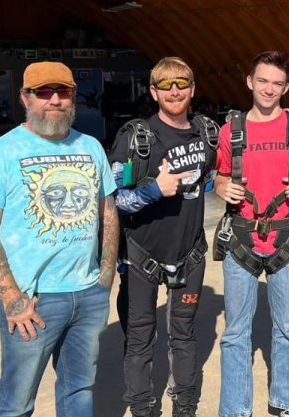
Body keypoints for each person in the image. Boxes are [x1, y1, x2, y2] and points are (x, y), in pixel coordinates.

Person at [0, 61, 118, 417]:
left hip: (88, 293)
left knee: (79, 390)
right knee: (16, 402)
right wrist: (11, 296)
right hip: (33, 301)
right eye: (43, 92)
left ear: (73, 98)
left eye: (62, 92)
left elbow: (108, 212)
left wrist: (105, 276)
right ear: (25, 98)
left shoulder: (91, 146)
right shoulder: (1, 152)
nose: (54, 100)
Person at [109, 57, 218, 417]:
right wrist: (154, 190)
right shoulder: (135, 137)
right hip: (142, 256)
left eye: (182, 83)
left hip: (190, 253)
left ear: (193, 89)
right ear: (153, 91)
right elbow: (113, 201)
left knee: (184, 336)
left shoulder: (207, 132)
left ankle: (184, 408)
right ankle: (142, 409)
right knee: (140, 340)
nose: (175, 91)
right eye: (166, 85)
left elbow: (215, 176)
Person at [213, 51, 289, 417]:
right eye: (263, 81)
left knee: (287, 327)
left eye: (277, 83)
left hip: (284, 238)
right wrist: (222, 188)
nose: (269, 89)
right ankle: (235, 409)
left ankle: (287, 402)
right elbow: (221, 175)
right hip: (240, 237)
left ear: (286, 87)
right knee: (235, 331)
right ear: (249, 82)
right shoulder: (232, 130)